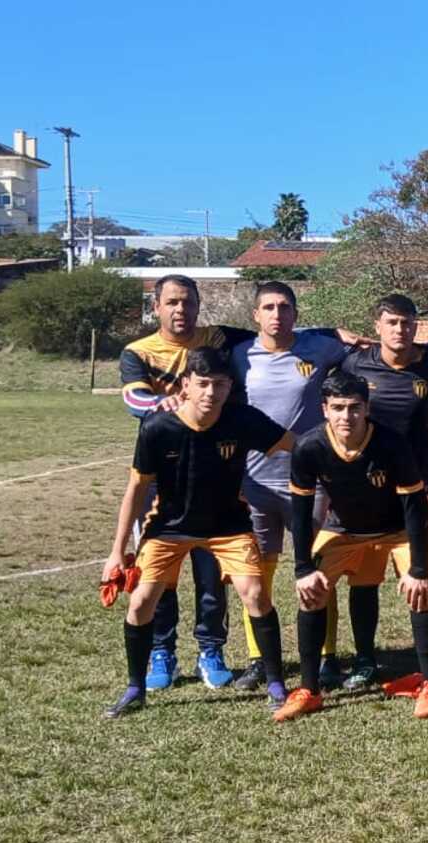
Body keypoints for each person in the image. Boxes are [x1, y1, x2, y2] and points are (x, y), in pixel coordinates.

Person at [99, 347, 294, 718]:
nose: (210, 393)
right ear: (185, 386)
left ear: (229, 386)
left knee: (255, 594)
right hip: (169, 528)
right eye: (202, 384)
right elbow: (135, 491)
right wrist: (116, 551)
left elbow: (294, 447)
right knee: (141, 603)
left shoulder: (243, 419)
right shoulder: (157, 427)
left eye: (219, 385)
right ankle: (135, 688)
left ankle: (275, 683)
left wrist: (328, 475)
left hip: (229, 527)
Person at [274, 372, 428, 721]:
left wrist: (418, 570)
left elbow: (414, 507)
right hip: (344, 529)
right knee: (312, 590)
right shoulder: (309, 447)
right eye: (337, 408)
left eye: (354, 408)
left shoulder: (392, 444)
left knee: (422, 589)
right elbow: (302, 513)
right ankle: (309, 689)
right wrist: (303, 568)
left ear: (366, 408)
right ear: (324, 409)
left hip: (397, 529)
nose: (345, 417)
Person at [117, 274, 254, 691]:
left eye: (189, 302)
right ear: (155, 307)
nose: (181, 310)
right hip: (165, 475)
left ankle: (211, 648)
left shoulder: (218, 338)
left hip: (219, 471)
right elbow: (132, 399)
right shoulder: (137, 352)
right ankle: (162, 651)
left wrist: (329, 334)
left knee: (211, 571)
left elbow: (276, 334)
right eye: (173, 302)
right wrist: (167, 401)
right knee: (159, 574)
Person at [229, 281, 353, 692]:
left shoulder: (320, 348)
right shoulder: (239, 356)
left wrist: (342, 334)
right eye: (268, 307)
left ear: (296, 313)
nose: (276, 314)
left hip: (311, 481)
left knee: (318, 570)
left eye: (284, 307)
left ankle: (326, 655)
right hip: (256, 481)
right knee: (256, 572)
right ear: (255, 315)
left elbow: (355, 348)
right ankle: (259, 659)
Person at [337, 295, 428, 693]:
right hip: (362, 493)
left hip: (414, 491)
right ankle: (364, 659)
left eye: (407, 322)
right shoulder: (354, 363)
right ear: (376, 326)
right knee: (363, 580)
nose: (400, 329)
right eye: (392, 322)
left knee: (423, 578)